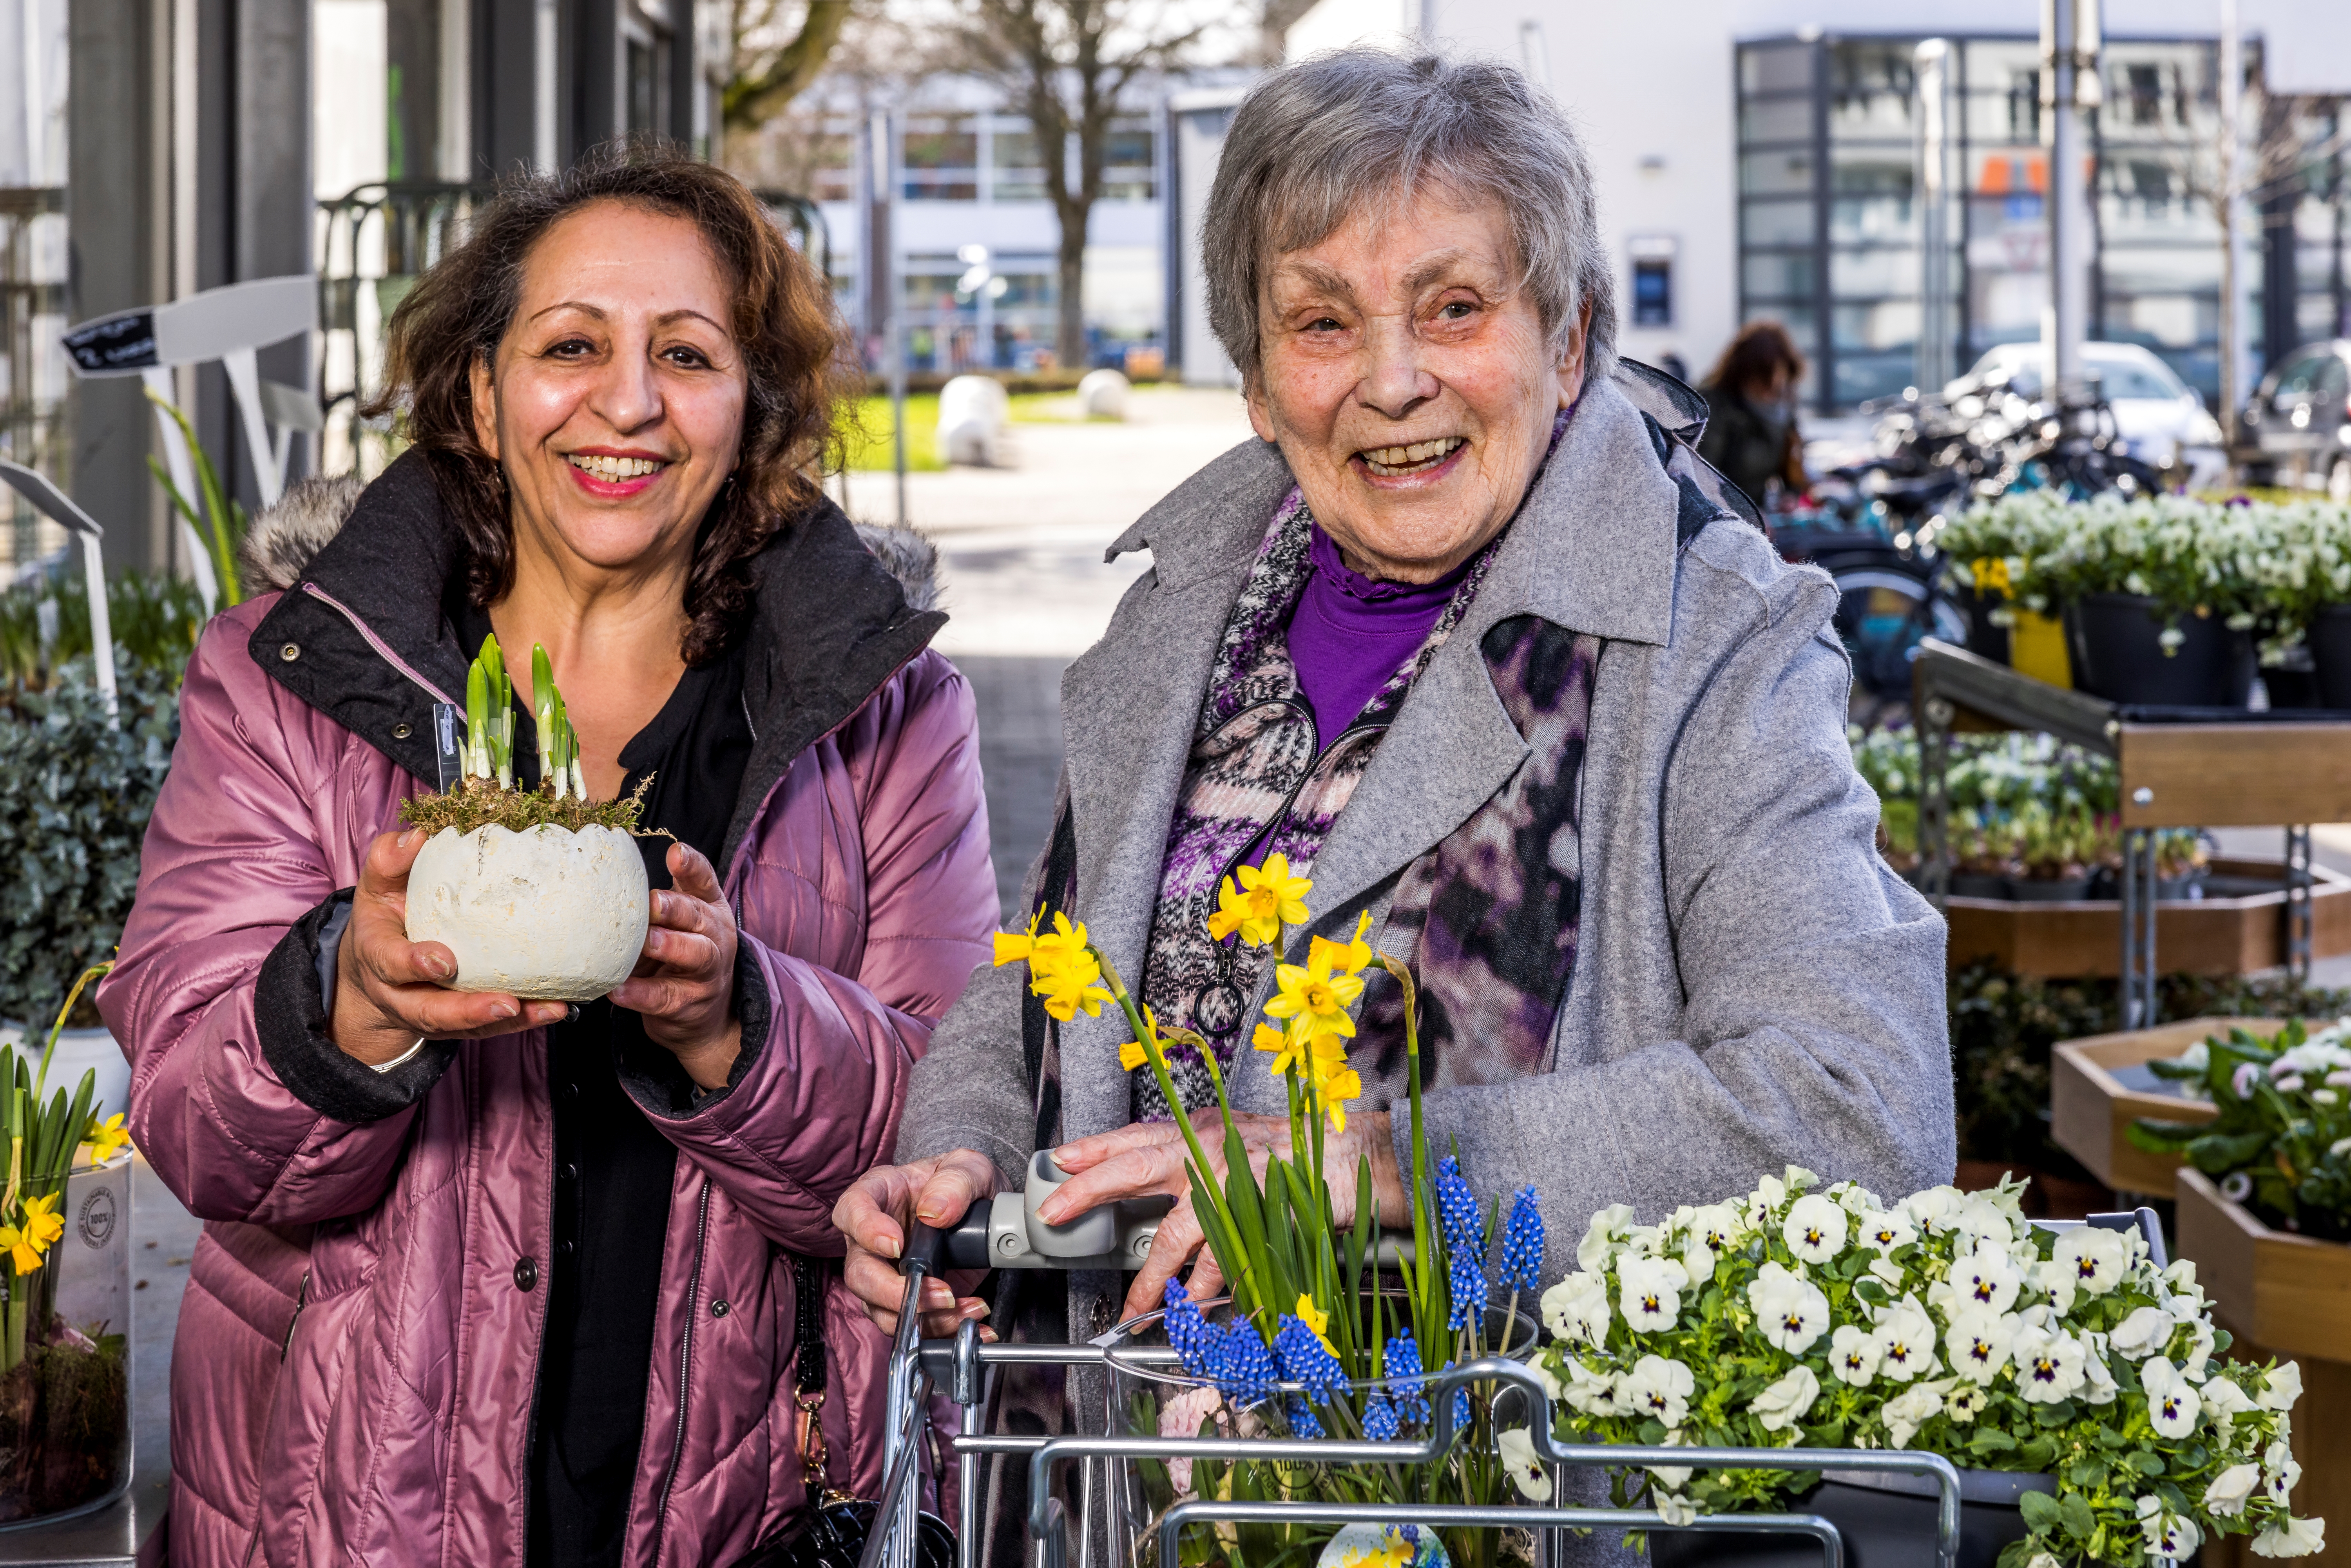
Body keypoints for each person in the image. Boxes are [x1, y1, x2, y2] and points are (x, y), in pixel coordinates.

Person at [832, 47, 1952, 1561]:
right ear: (1254, 376)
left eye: (1455, 306)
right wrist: (959, 1157)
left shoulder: (1710, 636)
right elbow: (1050, 977)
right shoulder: (1182, 624)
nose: (1392, 378)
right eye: (1320, 320)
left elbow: (1857, 1102)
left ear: (1564, 340)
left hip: (1498, 1505)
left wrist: (1355, 1162)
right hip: (1124, 1488)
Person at [98, 144, 995, 1568]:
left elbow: (951, 1134)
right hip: (345, 1505)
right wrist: (353, 1003)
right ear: (475, 387)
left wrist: (736, 1022)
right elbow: (200, 1132)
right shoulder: (289, 676)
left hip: (748, 1510)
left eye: (686, 354)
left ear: (750, 404)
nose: (627, 402)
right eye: (571, 345)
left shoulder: (880, 708)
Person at [1697, 319, 1811, 510]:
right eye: (1763, 384)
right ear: (1742, 375)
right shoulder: (1714, 407)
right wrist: (1746, 515)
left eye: (1776, 386)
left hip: (1758, 515)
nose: (1769, 394)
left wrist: (1791, 496)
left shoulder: (1784, 409)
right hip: (1719, 518)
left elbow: (1792, 465)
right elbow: (1702, 476)